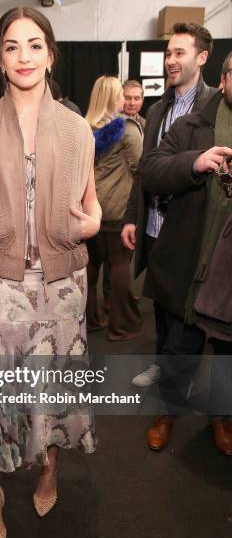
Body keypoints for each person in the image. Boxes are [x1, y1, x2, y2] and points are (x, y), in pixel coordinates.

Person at [0, 7, 101, 538]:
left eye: (34, 45)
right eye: (12, 46)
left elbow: (91, 209)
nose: (24, 57)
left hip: (65, 285)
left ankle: (49, 469)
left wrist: (92, 224)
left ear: (51, 53)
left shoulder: (76, 128)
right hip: (5, 286)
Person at [139, 52, 232, 453]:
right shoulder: (190, 124)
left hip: (229, 274)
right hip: (190, 263)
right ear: (224, 79)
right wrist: (195, 162)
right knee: (180, 347)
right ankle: (168, 413)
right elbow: (151, 171)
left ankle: (222, 417)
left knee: (227, 354)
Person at [121, 23, 217, 396]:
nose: (171, 60)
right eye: (169, 53)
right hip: (154, 224)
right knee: (160, 302)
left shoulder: (214, 107)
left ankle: (182, 382)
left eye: (180, 53)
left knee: (186, 311)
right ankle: (163, 366)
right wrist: (133, 215)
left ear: (202, 58)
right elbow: (144, 170)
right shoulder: (159, 109)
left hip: (192, 228)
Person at [85, 75, 143, 340]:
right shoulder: (126, 128)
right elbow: (141, 170)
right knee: (120, 265)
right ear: (111, 98)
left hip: (90, 208)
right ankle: (121, 326)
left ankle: (90, 321)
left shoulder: (83, 128)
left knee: (91, 268)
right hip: (119, 209)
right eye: (121, 94)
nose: (125, 99)